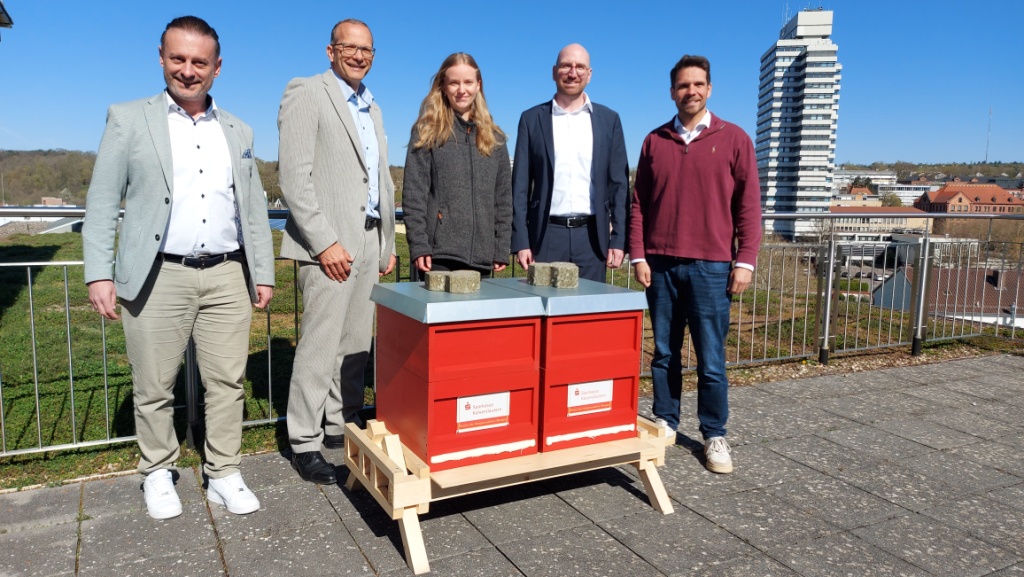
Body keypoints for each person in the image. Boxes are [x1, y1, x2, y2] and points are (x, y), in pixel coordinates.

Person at [82, 16, 275, 519]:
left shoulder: (238, 129)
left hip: (228, 274)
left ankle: (224, 472)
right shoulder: (128, 119)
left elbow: (253, 207)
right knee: (153, 385)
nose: (188, 70)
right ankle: (158, 470)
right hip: (158, 274)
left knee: (227, 383)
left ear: (217, 67)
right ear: (161, 58)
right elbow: (102, 200)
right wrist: (98, 272)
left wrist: (263, 272)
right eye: (178, 59)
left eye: (199, 62)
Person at [629, 55, 762, 474]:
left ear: (709, 89)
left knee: (711, 357)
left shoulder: (734, 138)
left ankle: (714, 433)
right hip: (661, 264)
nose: (691, 91)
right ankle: (666, 421)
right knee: (664, 353)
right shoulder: (654, 141)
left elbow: (748, 207)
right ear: (672, 92)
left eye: (698, 84)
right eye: (684, 85)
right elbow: (639, 204)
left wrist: (746, 261)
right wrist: (638, 254)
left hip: (712, 266)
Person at [278, 19, 396, 485]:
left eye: (367, 49)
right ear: (331, 51)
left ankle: (339, 422)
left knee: (355, 344)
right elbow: (294, 177)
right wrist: (324, 241)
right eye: (350, 47)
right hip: (328, 242)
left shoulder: (373, 107)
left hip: (368, 239)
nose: (359, 55)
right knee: (320, 345)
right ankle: (303, 440)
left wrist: (385, 242)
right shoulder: (307, 92)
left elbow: (380, 180)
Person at [512, 43, 629, 283]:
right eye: (566, 66)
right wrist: (521, 240)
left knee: (589, 306)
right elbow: (520, 186)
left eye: (580, 67)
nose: (573, 73)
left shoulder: (609, 121)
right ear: (554, 71)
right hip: (545, 237)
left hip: (592, 239)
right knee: (544, 304)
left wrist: (618, 239)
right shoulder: (531, 120)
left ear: (589, 74)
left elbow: (619, 185)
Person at [403, 53, 512, 277]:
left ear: (478, 85)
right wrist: (419, 244)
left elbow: (503, 199)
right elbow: (414, 194)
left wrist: (501, 246)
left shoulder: (495, 139)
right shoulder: (426, 132)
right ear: (443, 86)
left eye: (468, 82)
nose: (461, 90)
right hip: (438, 256)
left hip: (482, 256)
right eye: (454, 83)